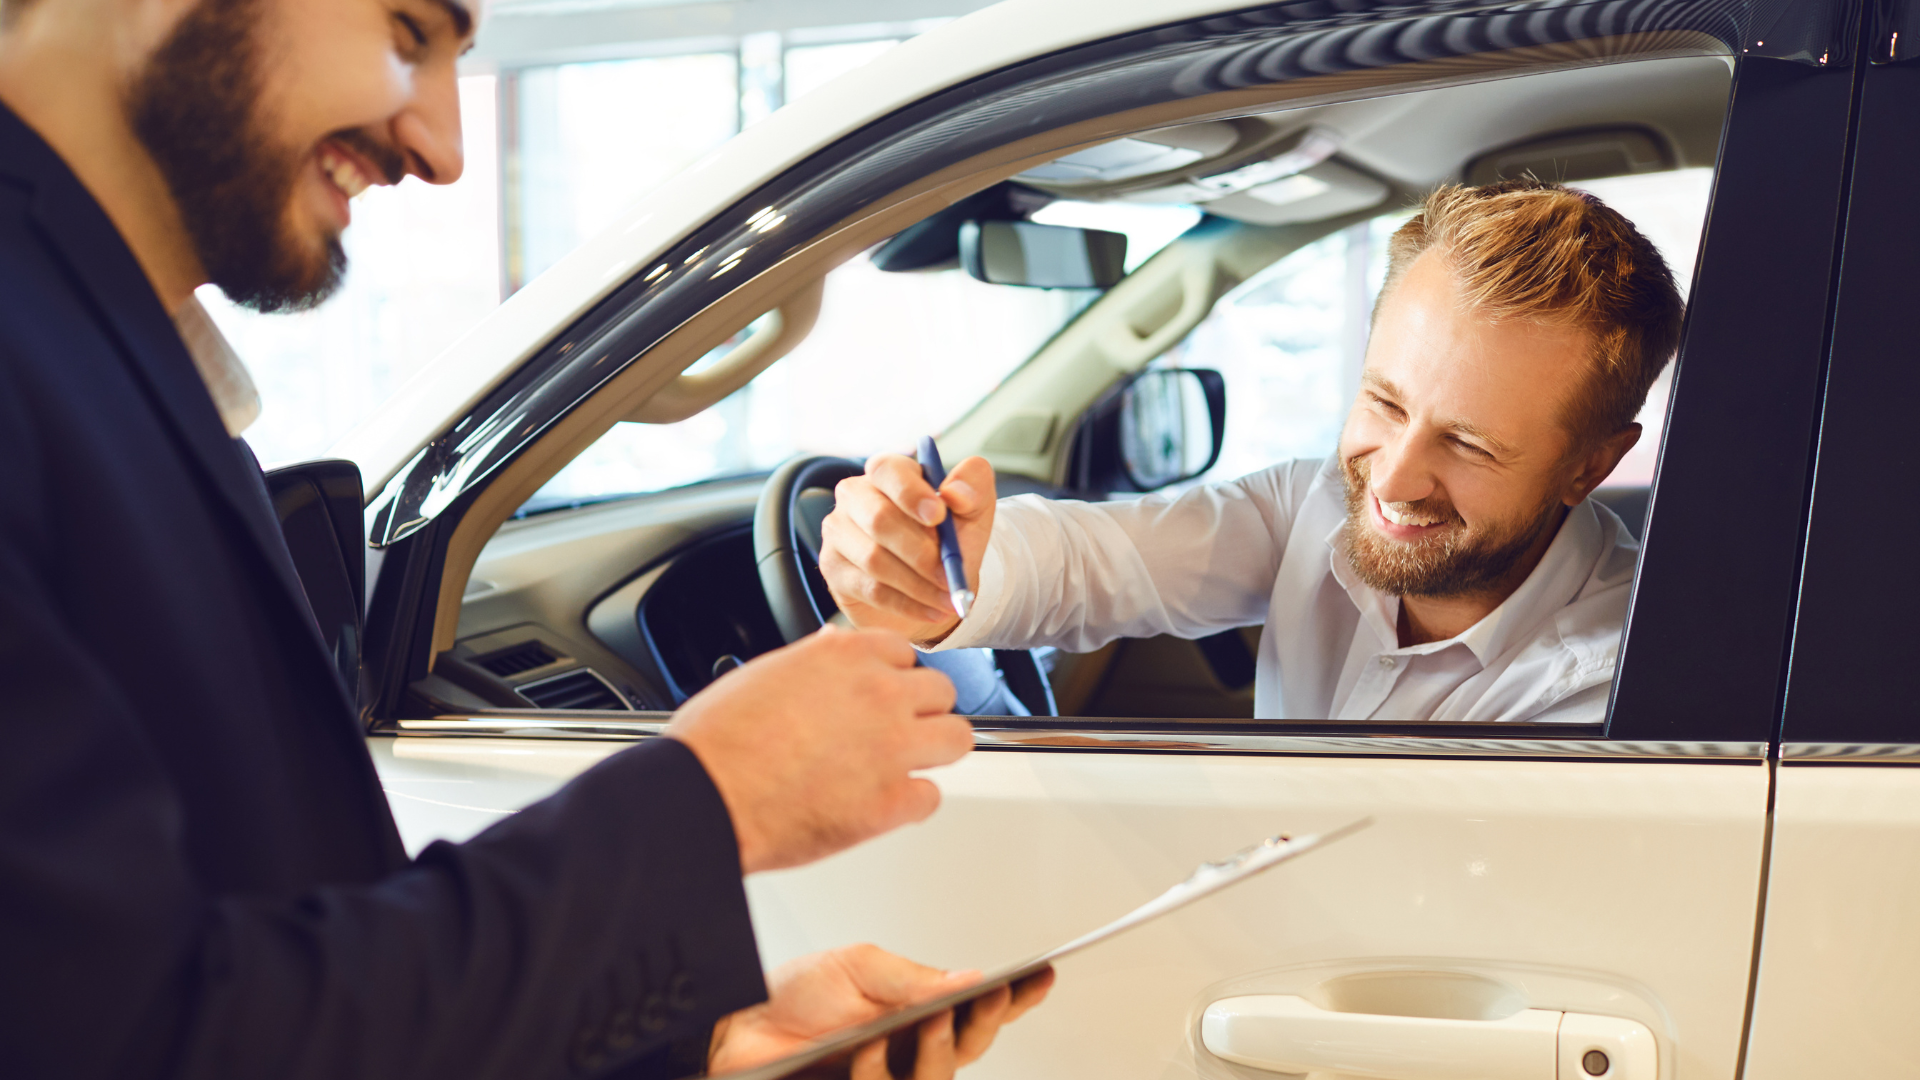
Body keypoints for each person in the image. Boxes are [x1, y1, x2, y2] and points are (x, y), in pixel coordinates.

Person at [0, 1, 1047, 1078]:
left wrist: (703, 1046)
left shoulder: (115, 346)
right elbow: (129, 1036)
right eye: (407, 32)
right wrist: (706, 801)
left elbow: (264, 963)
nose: (444, 150)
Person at [820, 179, 1684, 724]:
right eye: (1384, 400)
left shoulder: (1606, 689)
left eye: (1467, 443)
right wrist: (936, 574)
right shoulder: (1309, 508)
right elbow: (1100, 560)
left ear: (1591, 465)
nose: (1392, 476)